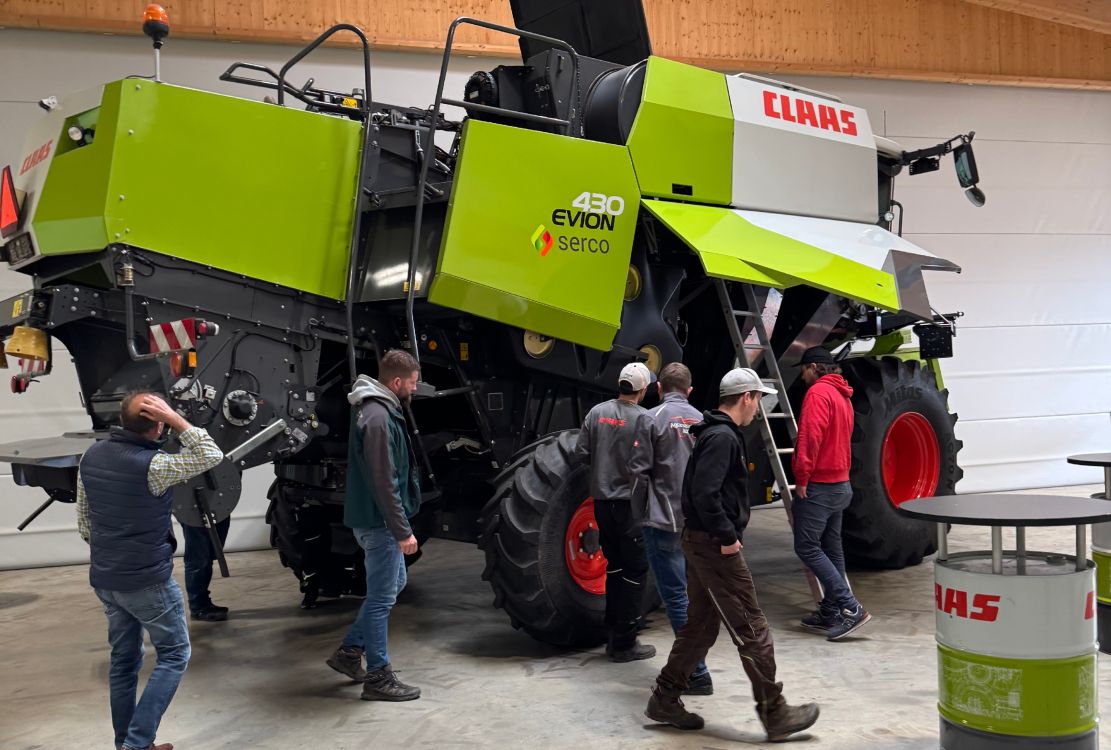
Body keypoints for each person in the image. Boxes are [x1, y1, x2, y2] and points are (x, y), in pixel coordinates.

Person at [645, 368, 820, 742]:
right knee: (753, 628)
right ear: (747, 398)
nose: (758, 407)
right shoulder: (723, 437)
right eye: (758, 399)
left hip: (698, 540)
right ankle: (776, 713)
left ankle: (664, 698)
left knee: (700, 628)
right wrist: (727, 537)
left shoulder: (714, 433)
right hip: (712, 544)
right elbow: (704, 493)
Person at [76, 391, 225, 750]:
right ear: (158, 424)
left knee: (124, 663)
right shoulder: (154, 466)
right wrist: (178, 419)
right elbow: (211, 455)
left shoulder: (91, 456)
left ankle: (125, 743)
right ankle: (137, 744)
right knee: (174, 655)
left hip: (106, 579)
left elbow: (85, 524)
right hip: (147, 581)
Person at [327, 349, 423, 701]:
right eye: (412, 384)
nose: (414, 390)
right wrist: (402, 530)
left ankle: (349, 653)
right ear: (396, 382)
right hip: (380, 522)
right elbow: (385, 481)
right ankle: (378, 678)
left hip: (375, 519)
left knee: (395, 584)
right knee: (382, 598)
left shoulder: (378, 410)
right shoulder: (378, 418)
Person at [629, 362, 712, 694]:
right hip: (698, 523)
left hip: (663, 520)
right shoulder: (704, 421)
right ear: (689, 391)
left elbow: (638, 470)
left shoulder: (650, 419)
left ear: (659, 389)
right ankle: (696, 666)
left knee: (676, 597)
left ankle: (697, 672)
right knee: (695, 596)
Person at [575, 362, 656, 662]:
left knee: (615, 567)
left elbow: (581, 452)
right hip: (629, 506)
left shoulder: (597, 413)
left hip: (601, 504)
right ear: (643, 389)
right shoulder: (646, 419)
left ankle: (612, 631)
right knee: (636, 571)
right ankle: (624, 644)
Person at [792, 346, 872, 641]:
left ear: (814, 367)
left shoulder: (817, 394)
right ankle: (830, 611)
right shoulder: (843, 395)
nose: (802, 376)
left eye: (803, 369)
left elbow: (809, 438)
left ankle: (851, 608)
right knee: (831, 546)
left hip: (820, 485)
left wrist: (802, 477)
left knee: (807, 547)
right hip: (841, 484)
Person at [182, 517, 231, 621]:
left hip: (217, 503)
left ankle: (203, 602)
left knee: (209, 553)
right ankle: (198, 606)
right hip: (191, 504)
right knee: (198, 557)